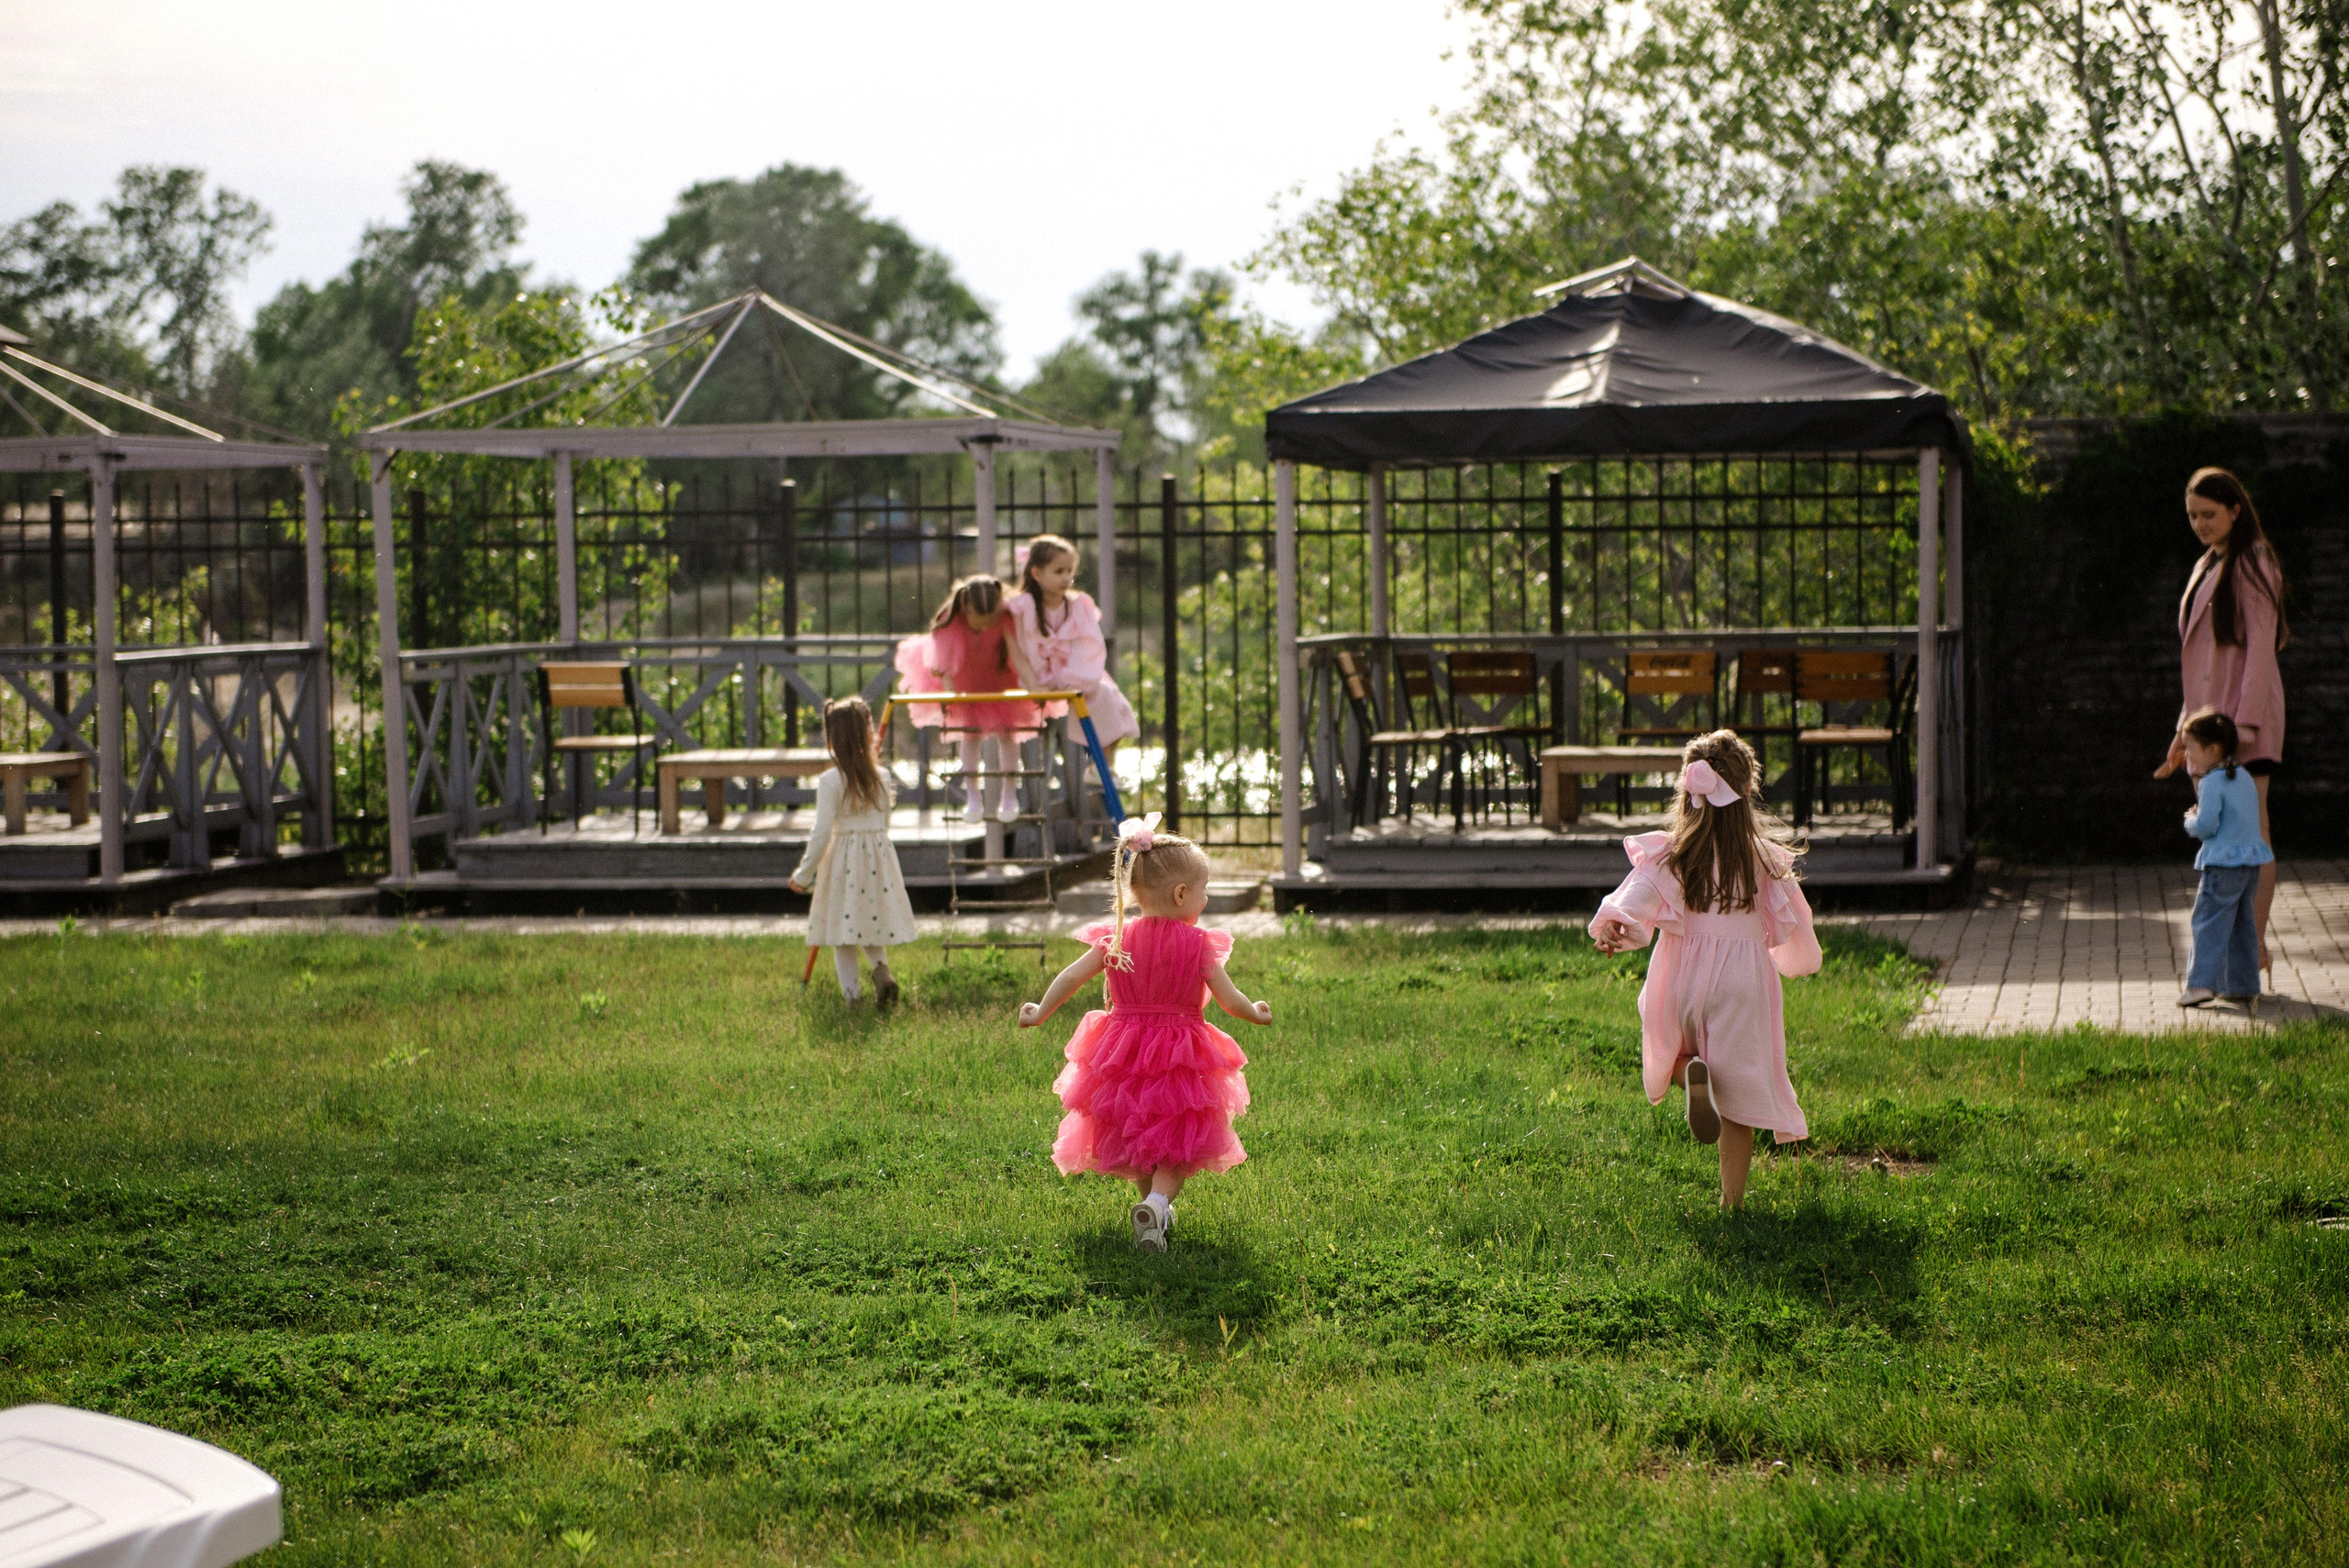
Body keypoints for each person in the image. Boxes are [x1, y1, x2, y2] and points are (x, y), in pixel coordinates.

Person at [1588, 730, 1822, 1208]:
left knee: (1671, 1043)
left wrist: (1615, 928)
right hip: (1745, 984)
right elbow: (1797, 928)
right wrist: (1799, 960)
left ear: (1688, 792)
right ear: (1745, 792)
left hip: (1683, 978)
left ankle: (1689, 1074)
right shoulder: (1766, 859)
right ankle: (1731, 1202)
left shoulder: (1674, 853)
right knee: (1737, 1099)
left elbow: (1634, 901)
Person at [1017, 815, 1271, 1252]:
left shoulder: (1116, 938)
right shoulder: (1199, 945)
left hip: (1123, 1047)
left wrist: (1040, 1011)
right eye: (1204, 889)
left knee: (1135, 1135)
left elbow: (1071, 977)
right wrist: (1257, 1013)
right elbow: (1229, 1000)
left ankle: (1151, 1217)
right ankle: (1157, 1202)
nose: (1206, 898)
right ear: (1181, 894)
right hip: (1179, 1051)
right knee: (1177, 1145)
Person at [2156, 467, 2288, 988]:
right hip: (2210, 731)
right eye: (2192, 515)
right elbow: (2201, 660)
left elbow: (2260, 648)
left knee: (2252, 835)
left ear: (2236, 510)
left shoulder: (2255, 562)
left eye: (2208, 514)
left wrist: (2247, 727)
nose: (2199, 524)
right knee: (2223, 842)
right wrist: (2181, 733)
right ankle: (2236, 961)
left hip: (2243, 725)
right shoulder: (2207, 562)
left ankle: (2251, 947)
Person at [787, 696, 917, 1006]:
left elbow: (821, 833)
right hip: (877, 858)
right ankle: (882, 973)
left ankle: (852, 998)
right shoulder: (882, 778)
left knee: (841, 934)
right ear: (867, 734)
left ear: (832, 739)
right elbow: (883, 822)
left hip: (843, 862)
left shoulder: (830, 781)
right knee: (869, 926)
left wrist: (803, 874)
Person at [894, 575, 1042, 823]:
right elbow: (944, 667)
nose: (985, 627)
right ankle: (973, 796)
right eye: (980, 622)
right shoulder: (950, 622)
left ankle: (1009, 794)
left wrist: (1035, 687)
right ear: (965, 609)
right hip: (966, 685)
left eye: (990, 621)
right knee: (969, 734)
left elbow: (1018, 657)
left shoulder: (1004, 619)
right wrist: (954, 699)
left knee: (1008, 734)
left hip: (998, 683)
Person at [1004, 534, 1141, 753]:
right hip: (1040, 677)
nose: (1066, 578)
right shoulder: (1024, 607)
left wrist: (1075, 678)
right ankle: (1098, 763)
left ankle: (1102, 765)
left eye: (1069, 571)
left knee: (1113, 701)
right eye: (1059, 572)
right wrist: (1033, 681)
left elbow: (1087, 645)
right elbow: (1020, 649)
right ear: (1036, 573)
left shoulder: (1078, 605)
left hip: (1075, 674)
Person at [2176, 707, 2272, 1010]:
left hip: (2222, 866)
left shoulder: (2210, 782)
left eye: (2190, 750)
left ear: (2213, 749)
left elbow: (2207, 826)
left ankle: (2200, 984)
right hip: (2250, 864)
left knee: (2207, 923)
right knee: (2242, 924)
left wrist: (2191, 819)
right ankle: (2243, 986)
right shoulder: (2242, 776)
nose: (2188, 757)